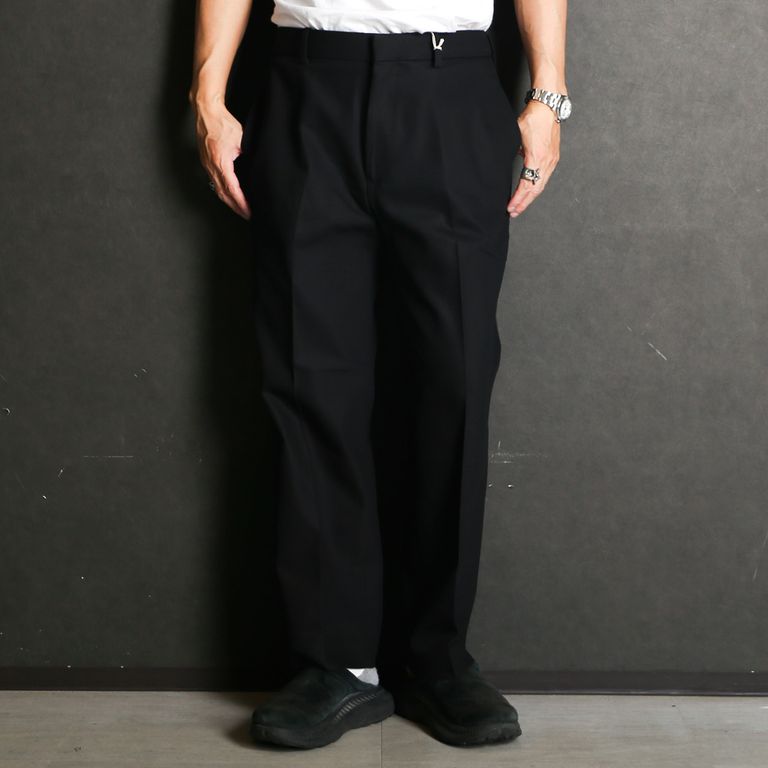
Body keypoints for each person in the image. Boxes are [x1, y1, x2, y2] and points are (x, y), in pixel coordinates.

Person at [189, 0, 570, 750]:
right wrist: (208, 95)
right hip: (305, 87)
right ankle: (336, 665)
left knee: (455, 378)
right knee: (309, 379)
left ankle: (436, 660)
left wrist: (548, 92)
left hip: (451, 87)